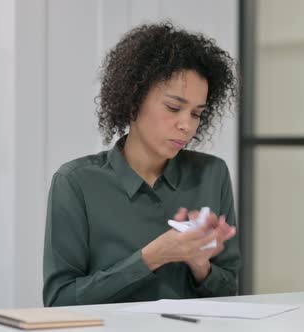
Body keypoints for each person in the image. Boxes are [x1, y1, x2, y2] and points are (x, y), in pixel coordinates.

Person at [42, 22, 240, 306]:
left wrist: (200, 266)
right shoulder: (76, 183)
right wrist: (152, 257)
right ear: (134, 100)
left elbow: (229, 293)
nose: (186, 125)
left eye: (196, 114)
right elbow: (59, 301)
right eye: (173, 108)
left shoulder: (212, 174)